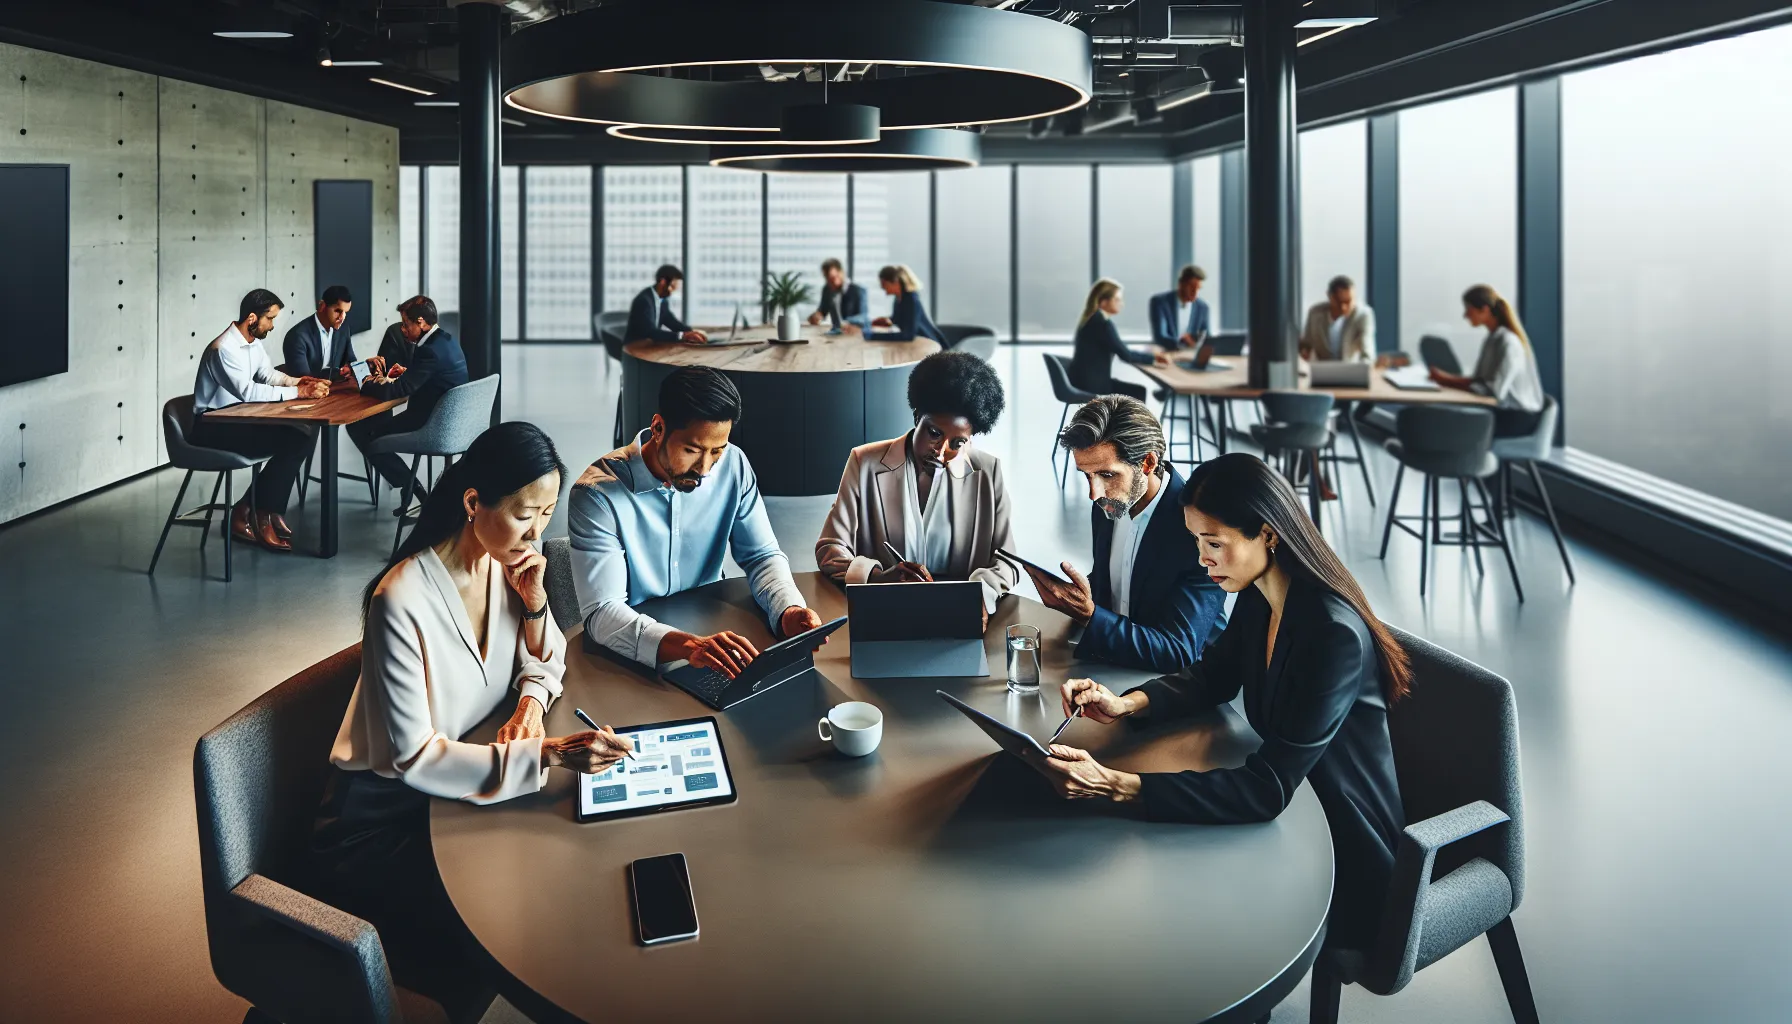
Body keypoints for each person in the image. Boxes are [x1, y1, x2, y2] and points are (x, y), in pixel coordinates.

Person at [315, 421, 630, 1010]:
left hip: (458, 789)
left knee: (574, 861)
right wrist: (548, 753)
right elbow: (415, 757)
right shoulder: (400, 600)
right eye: (523, 514)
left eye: (547, 514)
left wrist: (534, 619)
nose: (537, 533)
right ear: (472, 503)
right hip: (383, 825)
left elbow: (547, 658)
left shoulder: (503, 561)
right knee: (528, 914)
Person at [1039, 452, 1410, 951]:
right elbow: (1214, 675)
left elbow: (1266, 789)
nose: (1202, 559)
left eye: (1214, 543)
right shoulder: (1261, 593)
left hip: (1342, 849)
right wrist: (1127, 704)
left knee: (1163, 915)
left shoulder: (1332, 634)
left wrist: (1115, 785)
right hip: (1289, 815)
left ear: (1268, 535)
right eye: (1196, 541)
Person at [568, 366, 826, 679]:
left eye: (717, 451)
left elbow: (761, 555)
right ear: (658, 428)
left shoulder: (733, 465)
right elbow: (603, 612)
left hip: (715, 639)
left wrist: (788, 609)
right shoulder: (597, 496)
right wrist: (689, 646)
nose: (704, 469)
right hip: (632, 658)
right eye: (692, 450)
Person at [1021, 395, 1227, 674]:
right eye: (1086, 475)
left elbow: (1177, 650)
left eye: (1107, 475)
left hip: (1177, 681)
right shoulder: (1109, 503)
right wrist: (1074, 594)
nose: (1094, 493)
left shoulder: (1200, 530)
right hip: (1111, 660)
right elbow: (1118, 585)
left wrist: (1089, 615)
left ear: (1148, 463)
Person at [816, 351, 1019, 612]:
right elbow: (830, 548)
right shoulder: (864, 462)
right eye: (934, 433)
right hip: (885, 611)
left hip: (957, 615)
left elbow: (1008, 561)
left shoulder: (988, 473)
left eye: (958, 443)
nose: (941, 452)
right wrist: (876, 577)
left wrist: (979, 594)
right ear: (916, 417)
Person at [191, 288, 330, 552]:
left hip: (238, 419)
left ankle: (253, 509)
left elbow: (268, 374)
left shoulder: (253, 342)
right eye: (270, 318)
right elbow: (248, 392)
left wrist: (299, 381)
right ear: (253, 318)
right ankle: (261, 512)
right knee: (296, 438)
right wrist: (299, 392)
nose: (273, 325)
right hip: (211, 427)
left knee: (303, 433)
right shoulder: (223, 349)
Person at [347, 295, 469, 510]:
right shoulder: (447, 340)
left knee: (362, 431)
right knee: (369, 427)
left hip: (431, 425)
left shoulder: (429, 351)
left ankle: (410, 484)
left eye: (406, 324)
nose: (402, 330)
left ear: (421, 322)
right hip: (452, 420)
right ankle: (410, 484)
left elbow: (398, 390)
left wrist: (365, 382)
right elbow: (421, 378)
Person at [1430, 284, 1547, 437]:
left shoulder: (1508, 342)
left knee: (1445, 426)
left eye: (1468, 309)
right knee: (1442, 420)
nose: (1465, 315)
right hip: (1503, 412)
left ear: (1484, 309)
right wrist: (1445, 380)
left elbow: (1494, 391)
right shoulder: (1493, 339)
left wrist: (1448, 381)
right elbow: (1479, 381)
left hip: (1517, 418)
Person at [1068, 279, 1170, 399]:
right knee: (1139, 392)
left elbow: (1121, 349)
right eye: (1117, 300)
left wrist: (1152, 357)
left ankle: (1120, 413)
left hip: (1080, 381)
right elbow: (1126, 355)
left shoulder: (1091, 319)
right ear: (1103, 302)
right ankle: (1121, 413)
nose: (1122, 304)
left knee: (1135, 390)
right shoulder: (1103, 324)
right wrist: (1153, 358)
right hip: (1092, 386)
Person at [281, 284, 358, 381]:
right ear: (322, 306)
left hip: (336, 385)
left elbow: (351, 360)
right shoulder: (296, 336)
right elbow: (304, 380)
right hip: (310, 388)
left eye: (345, 312)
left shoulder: (343, 328)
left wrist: (358, 367)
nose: (342, 317)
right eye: (338, 311)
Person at [1300, 275, 1377, 363]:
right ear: (1330, 297)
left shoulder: (1362, 316)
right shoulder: (1315, 313)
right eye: (1339, 302)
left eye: (1348, 302)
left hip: (1350, 367)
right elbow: (1307, 344)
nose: (1344, 307)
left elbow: (1367, 348)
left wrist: (1365, 366)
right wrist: (1304, 353)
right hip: (1322, 368)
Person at [627, 264, 706, 344]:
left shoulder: (662, 300)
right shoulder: (644, 301)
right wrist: (682, 336)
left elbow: (671, 322)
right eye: (672, 287)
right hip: (635, 346)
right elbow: (650, 332)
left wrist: (691, 332)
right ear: (663, 282)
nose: (672, 292)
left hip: (648, 344)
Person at [868, 264, 944, 343]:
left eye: (884, 283)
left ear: (895, 282)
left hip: (927, 343)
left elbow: (908, 335)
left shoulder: (911, 300)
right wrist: (884, 321)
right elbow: (899, 319)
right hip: (917, 343)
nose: (882, 287)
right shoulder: (899, 298)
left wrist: (873, 336)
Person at [1147, 265, 1211, 351]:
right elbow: (1160, 336)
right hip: (1165, 352)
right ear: (1181, 284)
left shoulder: (1203, 308)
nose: (1195, 293)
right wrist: (1182, 343)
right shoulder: (1160, 302)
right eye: (1192, 287)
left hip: (1192, 354)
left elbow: (1207, 338)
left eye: (1198, 288)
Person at [806, 257, 870, 332]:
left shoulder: (859, 290)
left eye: (833, 278)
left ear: (841, 273)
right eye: (826, 278)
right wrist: (816, 316)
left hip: (854, 333)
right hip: (835, 333)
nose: (829, 282)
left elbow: (864, 317)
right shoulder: (827, 289)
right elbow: (822, 311)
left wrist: (848, 322)